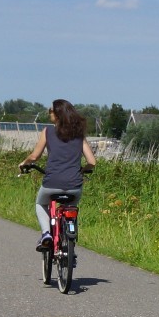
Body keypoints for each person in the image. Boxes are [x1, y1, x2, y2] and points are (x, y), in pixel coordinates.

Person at [19, 99, 99, 251]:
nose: (49, 113)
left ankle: (46, 234)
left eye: (51, 110)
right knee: (71, 207)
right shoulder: (79, 135)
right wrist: (82, 170)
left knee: (40, 203)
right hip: (74, 185)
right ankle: (70, 238)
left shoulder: (47, 132)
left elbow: (35, 156)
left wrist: (24, 163)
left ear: (57, 114)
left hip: (52, 183)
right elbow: (92, 162)